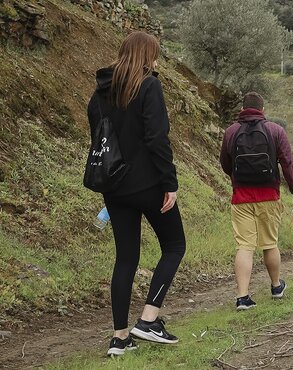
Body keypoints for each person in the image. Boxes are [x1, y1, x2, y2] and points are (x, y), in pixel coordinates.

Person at [87, 31, 185, 357]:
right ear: (146, 55)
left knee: (125, 259)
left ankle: (119, 338)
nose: (157, 61)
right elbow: (158, 139)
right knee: (174, 245)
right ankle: (149, 319)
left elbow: (99, 142)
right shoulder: (148, 85)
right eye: (155, 55)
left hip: (113, 188)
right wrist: (169, 183)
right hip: (148, 186)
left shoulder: (100, 93)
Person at [219, 92, 293, 311]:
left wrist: (236, 179)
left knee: (245, 246)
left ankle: (242, 297)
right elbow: (288, 165)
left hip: (241, 198)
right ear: (263, 110)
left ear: (242, 110)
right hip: (269, 196)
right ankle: (276, 287)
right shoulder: (275, 131)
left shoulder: (231, 132)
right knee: (269, 243)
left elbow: (225, 164)